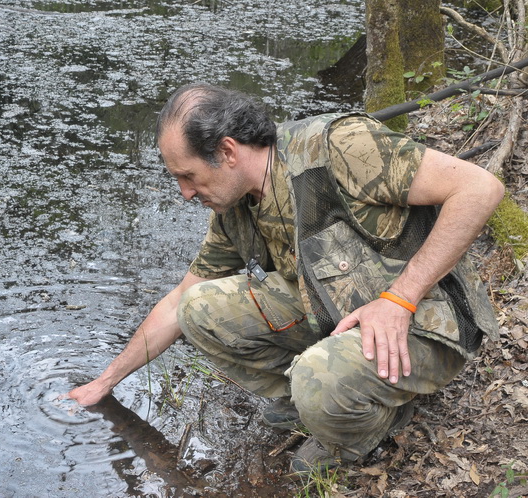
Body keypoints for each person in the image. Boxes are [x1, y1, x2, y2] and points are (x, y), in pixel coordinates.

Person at [65, 83, 504, 472]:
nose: (184, 193)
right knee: (198, 309)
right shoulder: (234, 207)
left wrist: (400, 299)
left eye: (188, 175)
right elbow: (180, 300)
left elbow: (480, 188)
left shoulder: (339, 146)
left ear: (228, 152)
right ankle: (317, 400)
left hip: (426, 320)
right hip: (339, 311)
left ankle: (363, 427)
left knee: (317, 376)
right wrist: (104, 383)